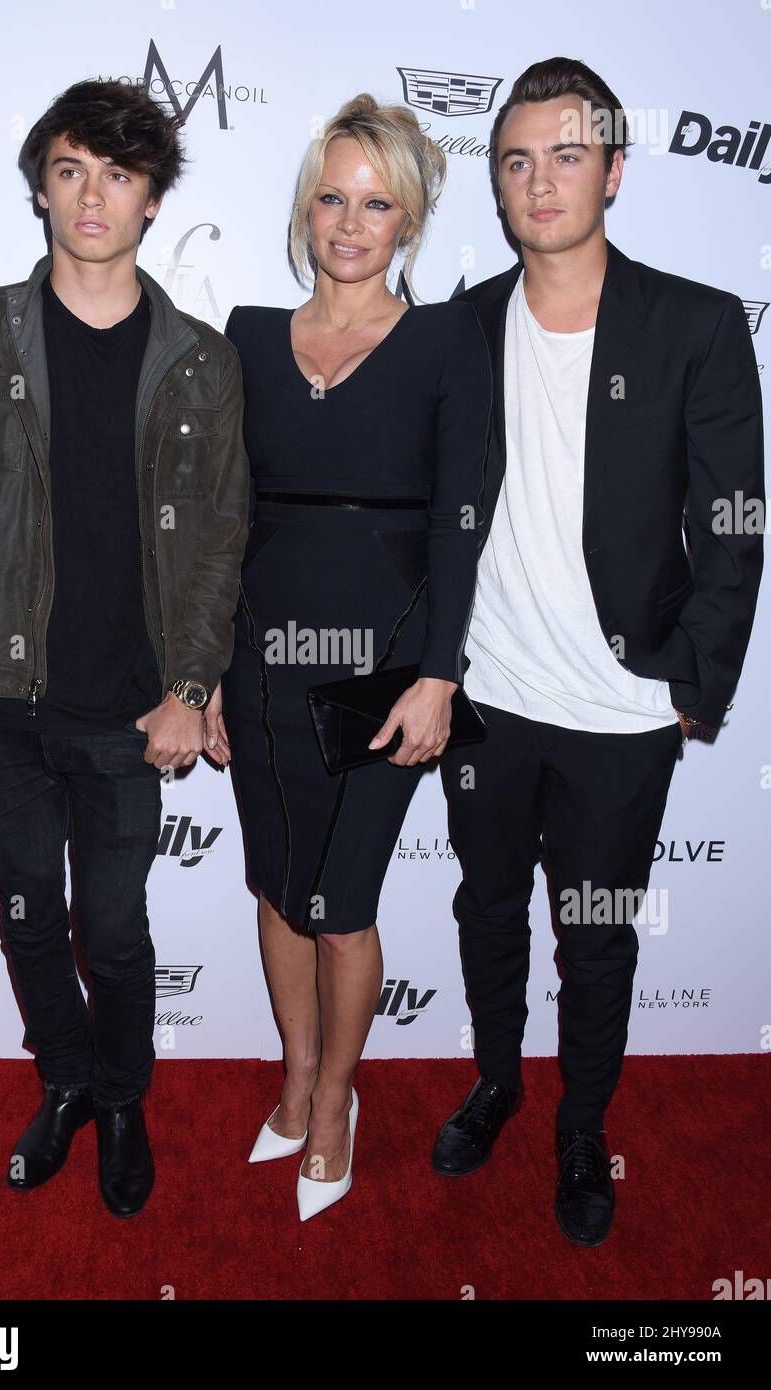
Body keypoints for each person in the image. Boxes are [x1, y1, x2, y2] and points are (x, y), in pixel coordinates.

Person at [0, 78, 249, 1218]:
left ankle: (126, 1096)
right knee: (27, 916)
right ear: (41, 185)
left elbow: (220, 543)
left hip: (129, 711)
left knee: (116, 927)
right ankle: (66, 1083)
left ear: (153, 201)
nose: (93, 196)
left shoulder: (200, 360)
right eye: (71, 169)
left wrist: (193, 687)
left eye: (120, 175)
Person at [433, 57, 764, 1245]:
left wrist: (696, 681)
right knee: (484, 912)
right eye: (516, 160)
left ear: (613, 169)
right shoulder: (461, 325)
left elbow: (735, 520)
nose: (540, 181)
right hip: (488, 696)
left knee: (599, 933)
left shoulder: (694, 324)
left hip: (624, 710)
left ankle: (581, 1126)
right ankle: (495, 1080)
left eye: (566, 155)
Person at [221, 94, 491, 1220]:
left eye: (376, 203)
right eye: (332, 196)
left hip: (386, 669)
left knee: (342, 901)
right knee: (280, 890)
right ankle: (291, 1074)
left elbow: (461, 521)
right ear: (304, 207)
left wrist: (438, 674)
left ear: (409, 223)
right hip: (259, 658)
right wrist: (203, 674)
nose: (349, 220)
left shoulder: (446, 341)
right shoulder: (241, 336)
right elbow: (219, 521)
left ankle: (335, 1098)